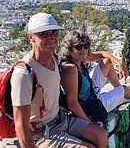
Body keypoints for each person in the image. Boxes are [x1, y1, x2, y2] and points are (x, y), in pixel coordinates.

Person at [10, 13, 107, 148]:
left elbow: (86, 57)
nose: (51, 38)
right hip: (41, 131)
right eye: (43, 34)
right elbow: (21, 124)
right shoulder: (24, 72)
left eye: (54, 32)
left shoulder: (54, 58)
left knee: (100, 135)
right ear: (30, 37)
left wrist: (107, 55)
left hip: (61, 118)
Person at [59, 30, 130, 118]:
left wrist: (119, 64)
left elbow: (103, 54)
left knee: (107, 62)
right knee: (124, 90)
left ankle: (121, 92)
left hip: (90, 93)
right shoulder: (70, 69)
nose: (83, 50)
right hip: (90, 105)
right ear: (69, 49)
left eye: (86, 46)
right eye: (78, 47)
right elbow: (72, 103)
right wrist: (88, 122)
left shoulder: (80, 58)